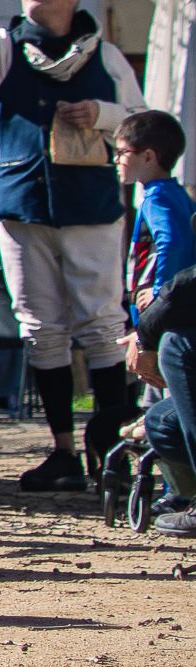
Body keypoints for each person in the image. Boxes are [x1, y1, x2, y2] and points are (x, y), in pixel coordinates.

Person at [0, 0, 146, 491]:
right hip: (22, 207)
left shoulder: (107, 58)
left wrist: (103, 115)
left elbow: (141, 121)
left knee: (102, 322)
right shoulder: (2, 51)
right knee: (39, 327)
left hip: (90, 205)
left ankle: (109, 446)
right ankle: (62, 449)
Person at [118, 111, 196, 529]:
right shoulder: (171, 193)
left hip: (165, 318)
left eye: (122, 153)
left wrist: (158, 296)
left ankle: (177, 492)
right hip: (165, 312)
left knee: (162, 404)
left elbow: (173, 241)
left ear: (149, 156)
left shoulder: (160, 196)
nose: (117, 161)